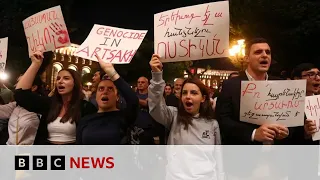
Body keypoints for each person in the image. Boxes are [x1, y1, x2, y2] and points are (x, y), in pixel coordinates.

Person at [148, 54, 223, 180]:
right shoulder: (173, 116)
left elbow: (218, 156)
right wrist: (157, 75)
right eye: (184, 93)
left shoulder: (212, 124)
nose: (188, 96)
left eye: (194, 93)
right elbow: (155, 107)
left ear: (203, 98)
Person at [216, 38, 289, 145]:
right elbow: (223, 119)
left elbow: (291, 119)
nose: (264, 55)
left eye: (267, 52)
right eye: (258, 52)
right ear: (247, 58)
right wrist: (253, 133)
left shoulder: (281, 84)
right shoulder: (230, 85)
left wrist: (287, 131)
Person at [14, 51, 97, 145]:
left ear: (75, 83)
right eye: (58, 78)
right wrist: (35, 64)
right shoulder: (49, 104)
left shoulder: (86, 108)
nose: (60, 81)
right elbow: (21, 95)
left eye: (66, 78)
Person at [76, 55, 139, 144]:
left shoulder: (124, 117)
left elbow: (133, 100)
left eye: (110, 89)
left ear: (117, 96)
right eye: (101, 89)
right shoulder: (85, 120)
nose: (105, 92)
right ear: (96, 96)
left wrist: (111, 72)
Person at [0, 75, 43, 145]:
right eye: (18, 82)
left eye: (21, 82)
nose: (16, 85)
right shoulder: (15, 106)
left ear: (34, 87)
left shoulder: (43, 106)